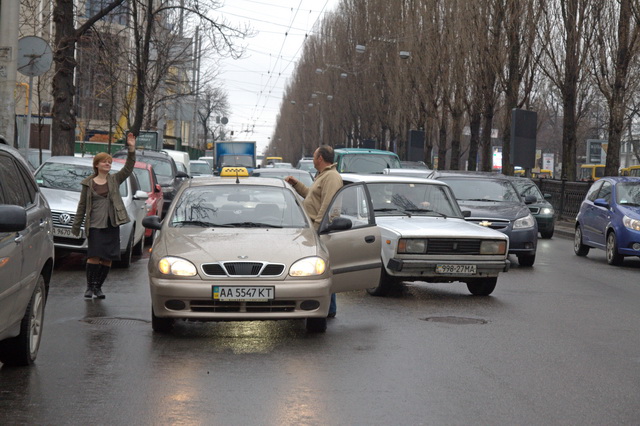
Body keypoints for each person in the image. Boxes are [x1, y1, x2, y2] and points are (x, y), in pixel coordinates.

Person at [72, 132, 137, 299]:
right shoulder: (88, 183)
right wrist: (76, 225)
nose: (108, 164)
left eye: (110, 162)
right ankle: (89, 287)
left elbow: (128, 168)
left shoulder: (114, 180)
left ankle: (98, 288)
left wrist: (131, 149)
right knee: (94, 256)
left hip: (111, 224)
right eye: (105, 162)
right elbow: (82, 206)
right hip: (94, 224)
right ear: (97, 165)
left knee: (107, 258)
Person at [285, 145, 342, 317]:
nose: (312, 159)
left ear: (320, 158)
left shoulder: (331, 177)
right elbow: (312, 196)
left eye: (314, 156)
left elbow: (327, 205)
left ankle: (329, 310)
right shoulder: (323, 176)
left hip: (319, 231)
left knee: (322, 272)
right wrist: (296, 184)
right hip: (313, 229)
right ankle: (328, 308)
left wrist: (316, 230)